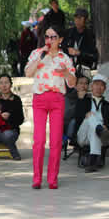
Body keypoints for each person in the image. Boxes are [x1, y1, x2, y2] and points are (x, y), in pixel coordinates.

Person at [25, 24, 76, 189]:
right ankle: (37, 178)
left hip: (57, 99)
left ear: (60, 40)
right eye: (47, 36)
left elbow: (73, 83)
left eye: (53, 37)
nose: (49, 40)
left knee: (55, 141)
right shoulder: (36, 53)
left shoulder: (65, 58)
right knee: (39, 140)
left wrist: (66, 73)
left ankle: (53, 179)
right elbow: (28, 73)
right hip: (40, 99)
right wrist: (40, 57)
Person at [75, 74, 109, 173]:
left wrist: (106, 127)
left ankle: (92, 162)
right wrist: (81, 101)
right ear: (91, 87)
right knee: (90, 117)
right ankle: (99, 129)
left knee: (95, 130)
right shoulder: (84, 100)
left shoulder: (107, 105)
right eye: (96, 84)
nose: (98, 87)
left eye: (101, 85)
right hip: (83, 136)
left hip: (100, 137)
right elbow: (77, 118)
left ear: (105, 88)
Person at [63, 8, 98, 78]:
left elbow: (94, 56)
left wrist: (79, 53)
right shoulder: (68, 33)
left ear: (86, 20)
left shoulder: (90, 35)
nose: (78, 21)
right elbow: (62, 49)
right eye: (77, 18)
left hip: (84, 70)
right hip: (68, 70)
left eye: (81, 18)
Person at [63, 75, 89, 152]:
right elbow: (66, 115)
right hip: (70, 128)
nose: (83, 86)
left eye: (86, 83)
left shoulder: (89, 98)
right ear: (75, 85)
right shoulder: (68, 98)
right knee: (75, 120)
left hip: (85, 127)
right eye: (81, 83)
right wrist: (80, 101)